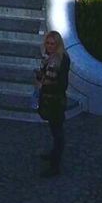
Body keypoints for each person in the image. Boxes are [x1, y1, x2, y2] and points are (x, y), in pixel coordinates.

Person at [36, 30, 70, 176]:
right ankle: (54, 155)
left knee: (58, 132)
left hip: (56, 99)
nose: (49, 46)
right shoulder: (47, 57)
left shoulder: (61, 59)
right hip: (48, 98)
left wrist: (44, 84)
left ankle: (55, 165)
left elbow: (62, 83)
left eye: (52, 43)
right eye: (48, 43)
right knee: (54, 128)